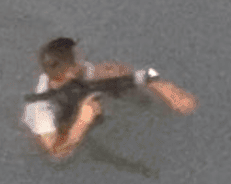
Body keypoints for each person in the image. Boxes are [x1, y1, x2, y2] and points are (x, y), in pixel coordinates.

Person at [22, 37, 163, 161]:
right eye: (78, 59)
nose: (83, 60)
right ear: (70, 72)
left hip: (73, 101)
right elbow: (57, 153)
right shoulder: (39, 109)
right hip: (60, 133)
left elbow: (101, 72)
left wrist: (133, 75)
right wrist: (83, 121)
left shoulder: (65, 75)